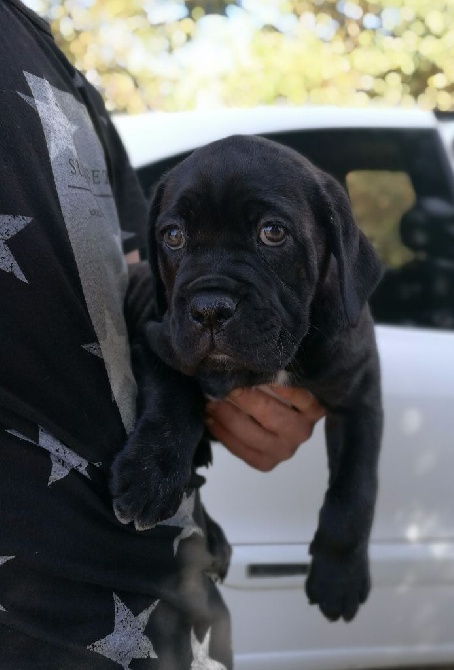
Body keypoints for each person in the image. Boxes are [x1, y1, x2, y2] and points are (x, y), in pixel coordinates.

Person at [0, 1, 325, 668]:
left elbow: (131, 286)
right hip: (33, 613)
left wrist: (262, 364)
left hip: (162, 601)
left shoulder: (51, 57)